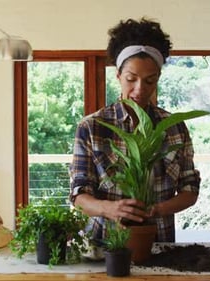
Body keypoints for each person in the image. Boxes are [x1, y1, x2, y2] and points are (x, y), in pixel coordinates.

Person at [69, 17, 201, 242]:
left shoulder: (174, 127)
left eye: (150, 81)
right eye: (131, 79)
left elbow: (190, 191)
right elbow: (79, 194)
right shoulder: (92, 127)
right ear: (118, 75)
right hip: (104, 245)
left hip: (158, 243)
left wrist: (157, 209)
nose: (140, 89)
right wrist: (108, 208)